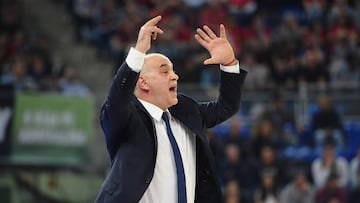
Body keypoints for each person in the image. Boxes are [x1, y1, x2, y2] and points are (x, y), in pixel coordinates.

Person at [95, 16, 247, 203]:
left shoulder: (187, 110)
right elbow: (116, 101)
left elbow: (226, 107)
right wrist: (139, 52)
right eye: (164, 71)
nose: (175, 76)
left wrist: (229, 63)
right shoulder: (127, 118)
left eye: (173, 71)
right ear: (143, 83)